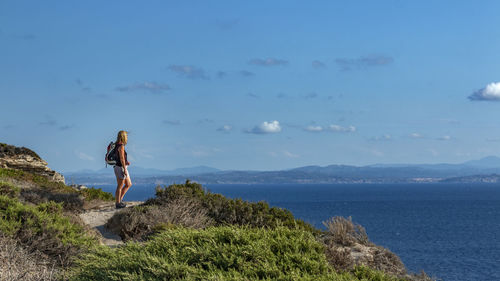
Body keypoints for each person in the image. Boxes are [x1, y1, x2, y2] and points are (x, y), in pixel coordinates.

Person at [114, 130, 132, 209]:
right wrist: (124, 169)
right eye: (126, 136)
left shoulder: (116, 145)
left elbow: (120, 158)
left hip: (118, 167)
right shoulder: (121, 146)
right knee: (120, 186)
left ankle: (119, 200)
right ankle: (118, 203)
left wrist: (126, 162)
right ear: (123, 136)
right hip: (120, 167)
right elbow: (121, 158)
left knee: (128, 184)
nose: (127, 137)